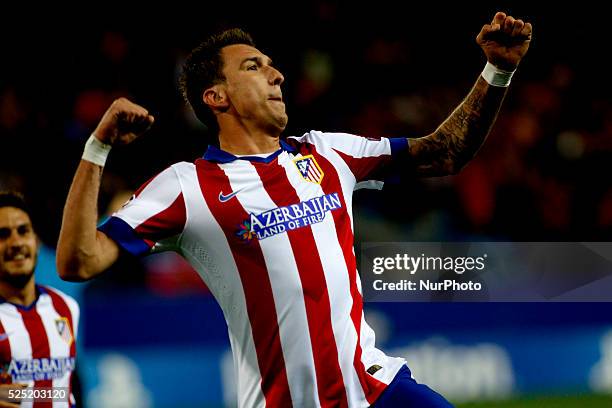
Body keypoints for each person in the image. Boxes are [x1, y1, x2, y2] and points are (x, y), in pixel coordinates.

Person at [57, 11, 532, 407]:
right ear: (216, 97)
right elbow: (78, 261)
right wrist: (97, 148)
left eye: (271, 64)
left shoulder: (328, 153)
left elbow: (444, 152)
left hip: (374, 388)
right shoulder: (187, 186)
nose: (276, 73)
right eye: (253, 67)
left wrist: (498, 71)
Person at [0, 192, 79, 408]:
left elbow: (62, 393)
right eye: (3, 235)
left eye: (23, 231)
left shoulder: (66, 308)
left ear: (35, 241)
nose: (15, 243)